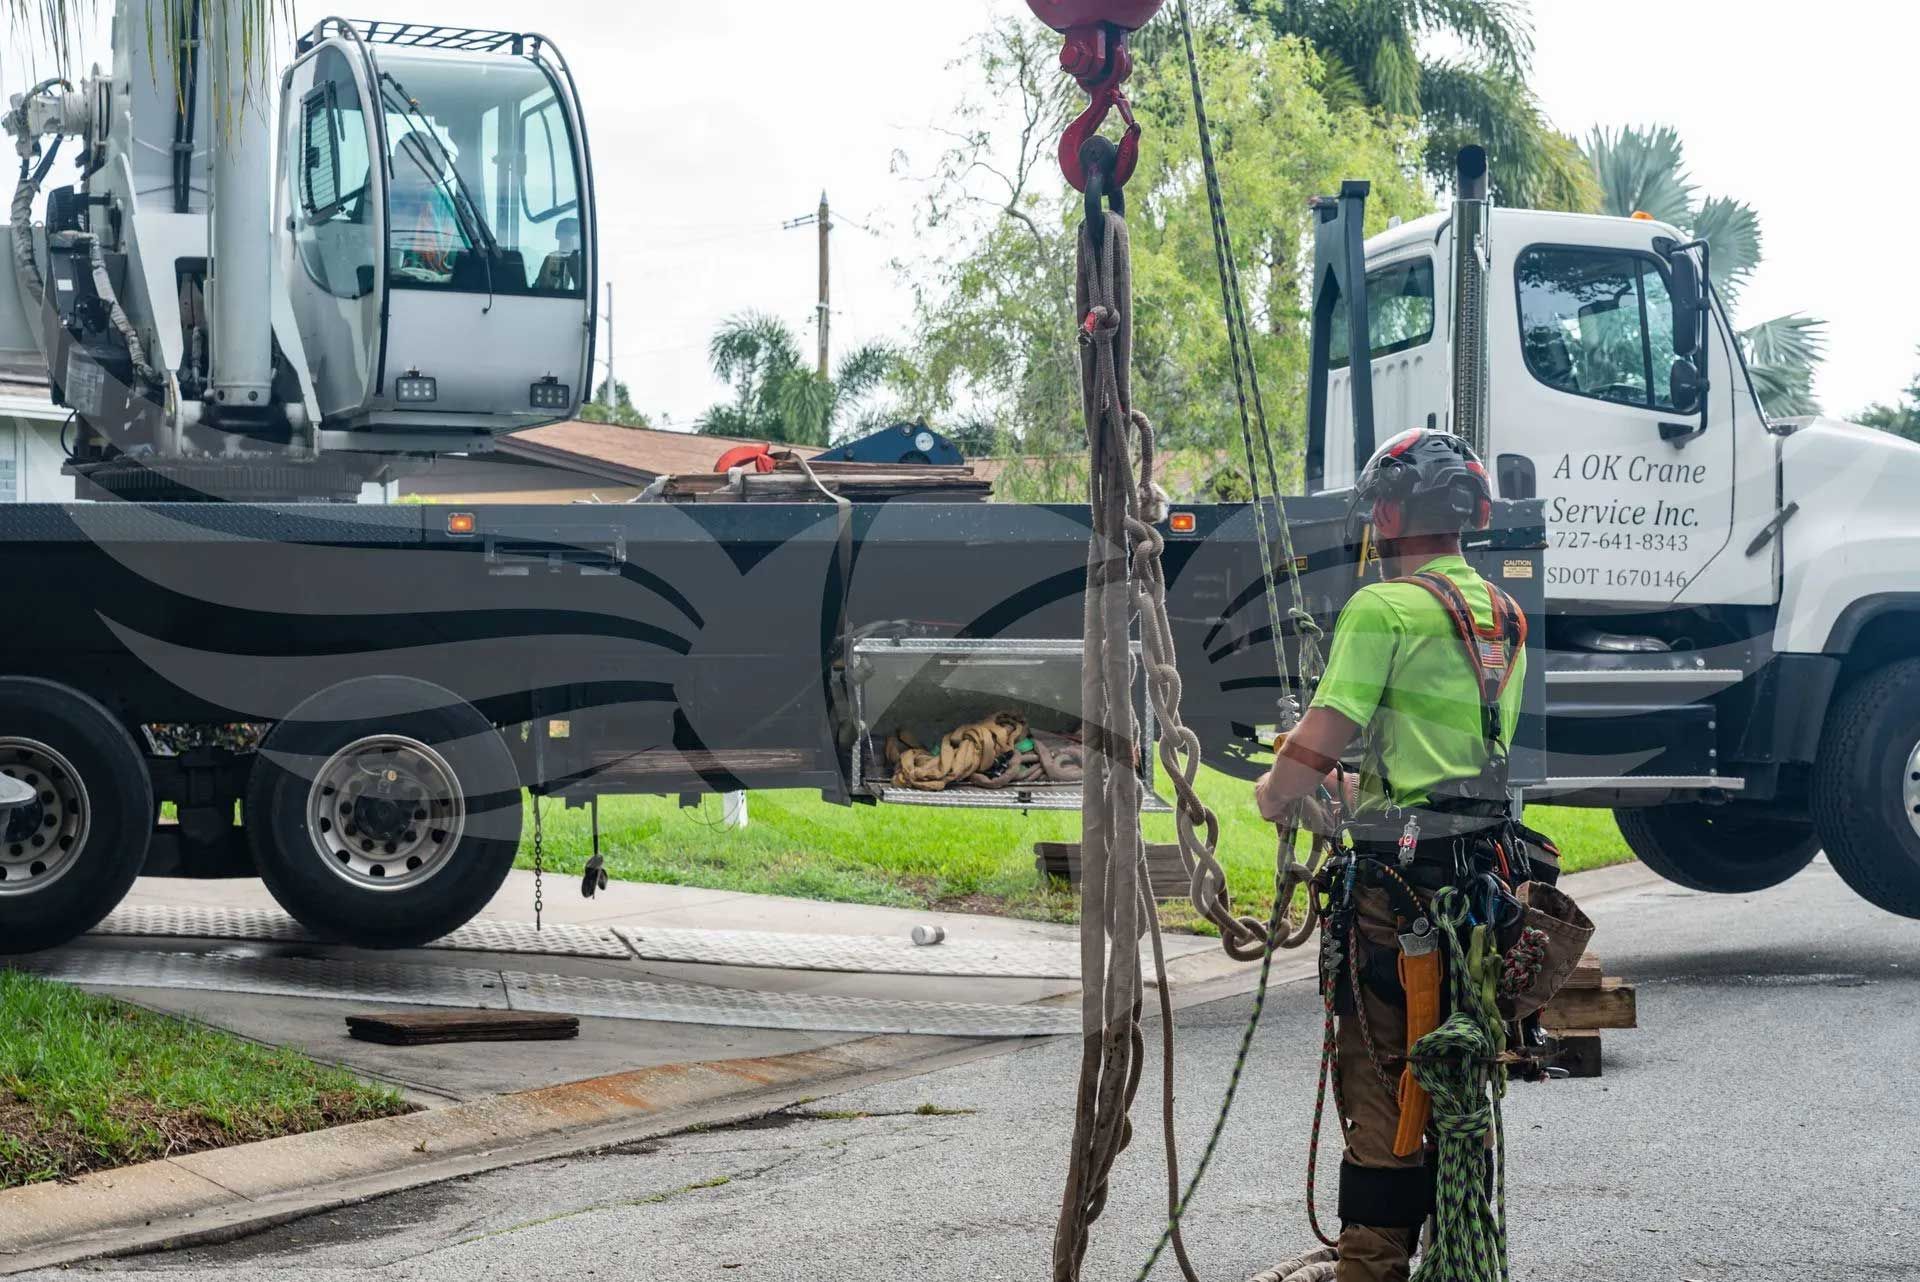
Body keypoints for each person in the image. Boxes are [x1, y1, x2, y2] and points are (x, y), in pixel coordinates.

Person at [1256, 428, 1528, 1282]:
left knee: (1383, 1075)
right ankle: (1453, 1251)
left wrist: (1277, 792)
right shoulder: (1502, 613)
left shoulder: (1384, 608)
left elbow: (1324, 732)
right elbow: (1439, 760)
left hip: (1398, 895)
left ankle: (1371, 1264)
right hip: (1480, 884)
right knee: (1455, 1068)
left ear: (1389, 514)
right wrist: (1355, 790)